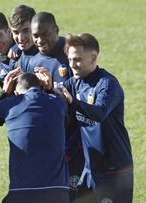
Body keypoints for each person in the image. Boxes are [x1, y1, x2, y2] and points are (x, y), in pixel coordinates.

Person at [57, 33, 133, 203]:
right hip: (90, 168)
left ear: (93, 58)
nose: (72, 65)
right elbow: (58, 92)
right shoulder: (75, 82)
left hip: (113, 169)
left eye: (77, 59)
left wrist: (72, 101)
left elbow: (99, 113)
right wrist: (46, 86)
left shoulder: (107, 84)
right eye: (69, 60)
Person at [0, 71, 69, 203]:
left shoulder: (10, 103)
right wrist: (49, 89)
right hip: (58, 190)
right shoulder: (59, 102)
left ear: (16, 92)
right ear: (40, 87)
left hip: (22, 190)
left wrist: (3, 94)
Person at [26, 12, 84, 199]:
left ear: (56, 30)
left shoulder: (71, 56)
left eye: (45, 34)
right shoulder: (31, 60)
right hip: (49, 148)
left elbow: (80, 105)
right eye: (36, 36)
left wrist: (70, 148)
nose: (40, 40)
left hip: (76, 147)